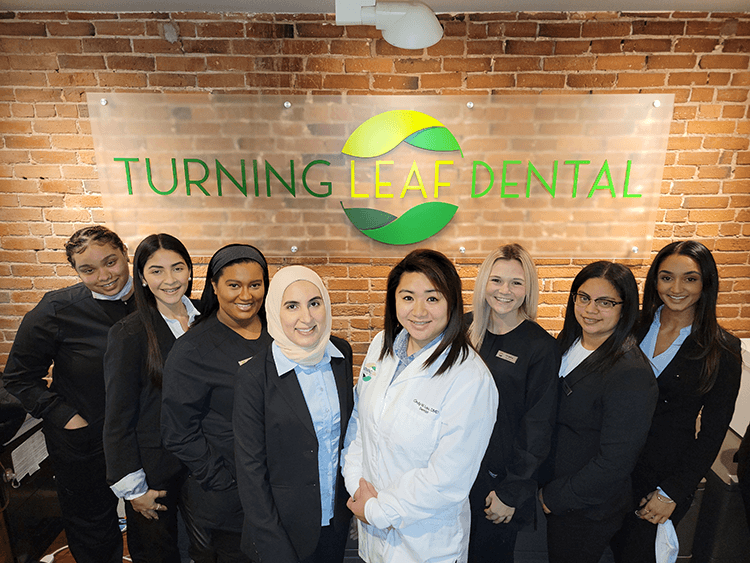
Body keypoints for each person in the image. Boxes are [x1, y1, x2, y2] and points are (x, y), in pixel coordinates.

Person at [342, 248, 498, 563]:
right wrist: (356, 483)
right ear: (394, 300)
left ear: (451, 303)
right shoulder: (380, 347)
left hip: (425, 545)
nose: (419, 311)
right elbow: (361, 422)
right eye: (408, 297)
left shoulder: (470, 378)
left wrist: (377, 509)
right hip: (372, 530)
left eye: (432, 298)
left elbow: (447, 478)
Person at [3, 225, 134, 563]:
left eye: (111, 262)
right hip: (84, 443)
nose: (104, 276)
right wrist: (67, 417)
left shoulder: (152, 301)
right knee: (92, 528)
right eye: (88, 269)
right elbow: (18, 377)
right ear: (76, 271)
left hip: (141, 437)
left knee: (151, 520)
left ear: (125, 253)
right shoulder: (57, 310)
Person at [610, 241, 743, 563]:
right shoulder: (630, 326)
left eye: (690, 278)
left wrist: (673, 491)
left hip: (661, 481)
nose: (677, 288)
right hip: (611, 470)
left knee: (638, 555)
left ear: (706, 283)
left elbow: (712, 431)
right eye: (667, 277)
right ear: (655, 280)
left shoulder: (721, 348)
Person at [539, 261, 658, 563]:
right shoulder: (568, 342)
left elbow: (615, 462)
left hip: (585, 508)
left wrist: (554, 498)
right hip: (559, 493)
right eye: (584, 297)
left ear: (625, 307)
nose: (591, 309)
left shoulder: (630, 371)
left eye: (605, 302)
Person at [234, 265, 354, 563]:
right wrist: (273, 543)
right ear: (275, 311)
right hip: (281, 533)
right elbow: (250, 470)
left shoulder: (341, 354)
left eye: (315, 303)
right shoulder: (254, 375)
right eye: (292, 306)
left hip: (335, 522)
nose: (307, 317)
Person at [161, 243, 271, 563]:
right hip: (228, 502)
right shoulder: (193, 350)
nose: (246, 295)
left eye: (255, 284)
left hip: (275, 491)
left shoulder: (280, 334)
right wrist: (221, 479)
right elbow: (177, 431)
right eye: (233, 285)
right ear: (214, 286)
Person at [103, 233, 202, 563]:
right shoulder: (129, 333)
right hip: (154, 472)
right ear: (142, 277)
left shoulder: (209, 320)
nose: (170, 280)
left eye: (178, 268)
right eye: (157, 271)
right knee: (159, 554)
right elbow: (117, 417)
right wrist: (134, 489)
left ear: (190, 270)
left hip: (204, 464)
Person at [466, 244, 560, 563]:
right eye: (496, 280)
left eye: (516, 283)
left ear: (528, 289)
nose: (504, 291)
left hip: (498, 485)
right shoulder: (463, 329)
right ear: (483, 283)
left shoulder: (541, 347)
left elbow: (538, 426)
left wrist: (512, 491)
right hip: (454, 474)